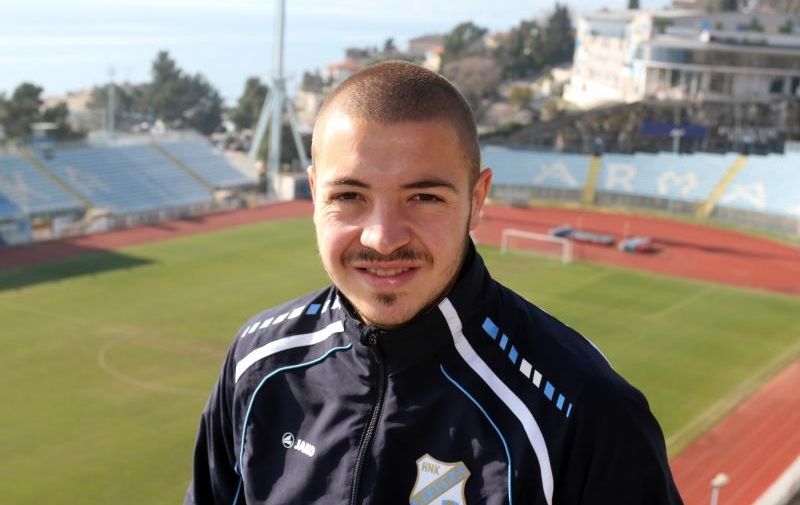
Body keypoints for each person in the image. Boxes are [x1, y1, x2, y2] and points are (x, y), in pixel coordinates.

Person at [186, 61, 683, 505]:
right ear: (315, 193)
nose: (382, 239)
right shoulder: (257, 365)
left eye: (423, 197)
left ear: (477, 198)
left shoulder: (583, 414)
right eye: (350, 195)